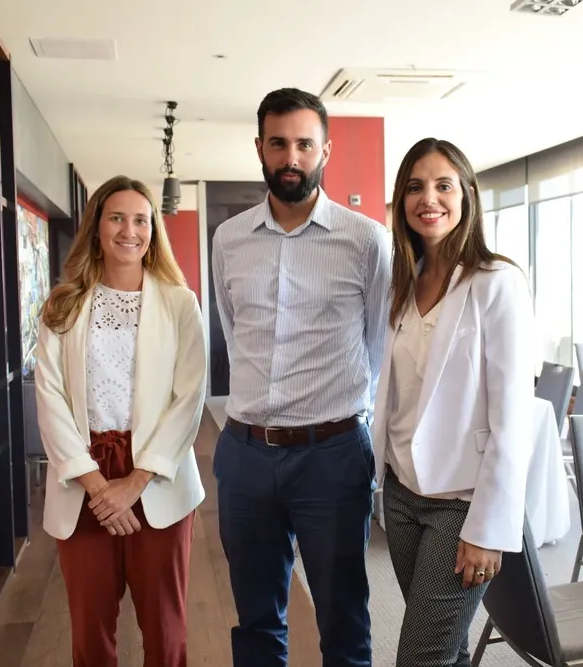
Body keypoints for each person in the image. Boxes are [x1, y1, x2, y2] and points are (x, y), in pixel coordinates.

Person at [211, 87, 392, 667]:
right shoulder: (228, 239)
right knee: (256, 618)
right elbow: (233, 328)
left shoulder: (367, 241)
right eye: (279, 143)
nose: (292, 157)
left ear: (326, 150)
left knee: (343, 615)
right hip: (244, 454)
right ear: (260, 148)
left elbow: (379, 347)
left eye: (305, 145)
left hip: (332, 455)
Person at [370, 138, 535, 667]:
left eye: (444, 185)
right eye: (415, 187)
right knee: (448, 651)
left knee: (419, 658)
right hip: (400, 493)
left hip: (460, 505)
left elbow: (513, 417)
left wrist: (489, 528)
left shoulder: (497, 283)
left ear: (466, 194)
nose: (429, 198)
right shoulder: (404, 282)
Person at [34, 175, 207, 667]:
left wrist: (135, 481)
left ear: (153, 229)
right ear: (96, 227)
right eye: (116, 217)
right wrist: (97, 486)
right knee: (90, 633)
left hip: (156, 478)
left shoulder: (179, 303)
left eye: (140, 219)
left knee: (166, 631)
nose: (129, 230)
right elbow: (50, 399)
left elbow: (189, 397)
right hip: (81, 477)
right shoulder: (62, 304)